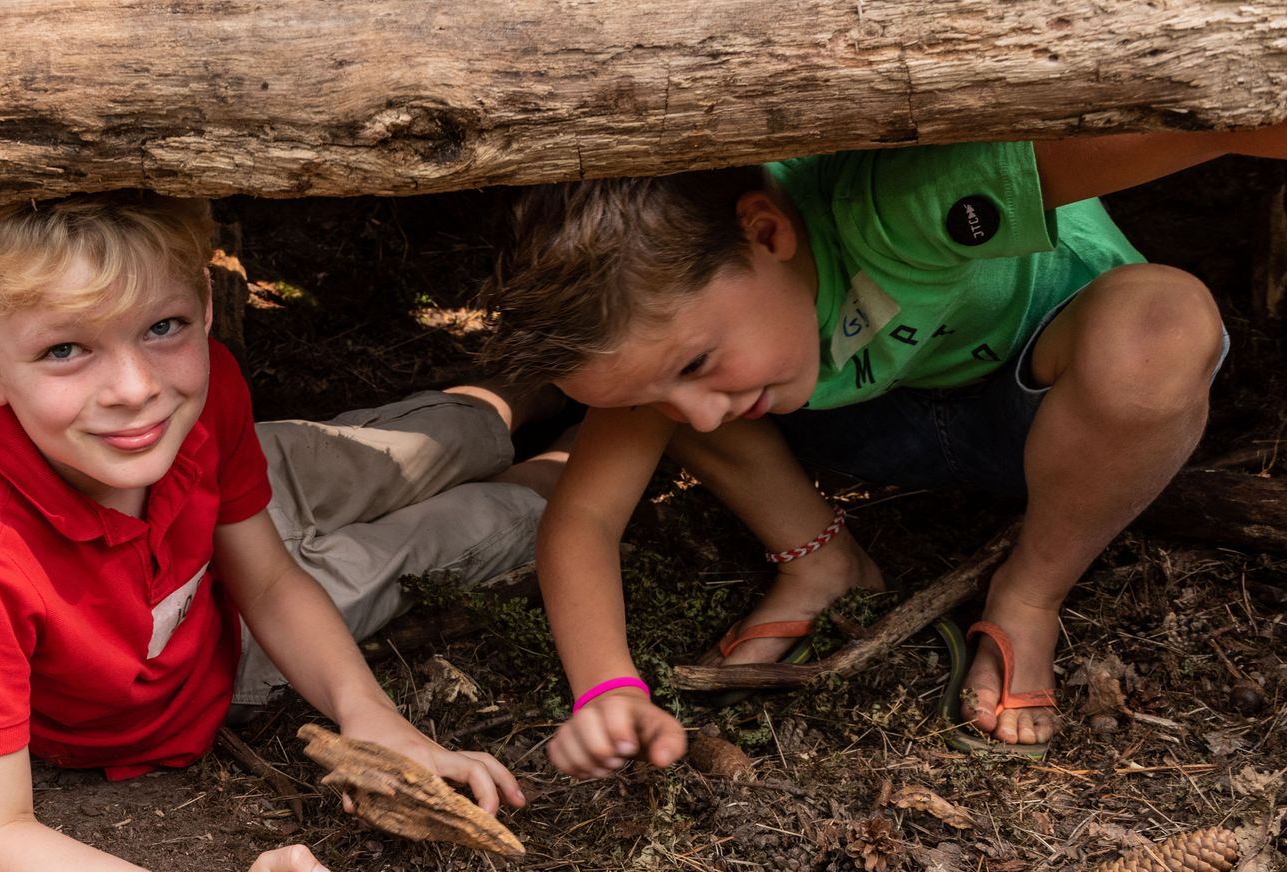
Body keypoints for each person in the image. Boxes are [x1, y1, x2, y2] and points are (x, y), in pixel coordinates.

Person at [477, 125, 1287, 774]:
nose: (697, 411)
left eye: (695, 364)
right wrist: (605, 690)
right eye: (659, 392)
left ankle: (1028, 596)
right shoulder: (677, 347)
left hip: (1052, 411)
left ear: (766, 230)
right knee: (686, 399)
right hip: (869, 425)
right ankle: (822, 561)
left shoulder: (895, 201)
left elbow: (1218, 124)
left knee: (1164, 323)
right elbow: (583, 517)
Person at [0, 192, 559, 871]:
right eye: (65, 348)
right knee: (485, 525)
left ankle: (556, 383)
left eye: (163, 327)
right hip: (223, 656)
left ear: (207, 306)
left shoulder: (194, 394)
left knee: (433, 439)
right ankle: (572, 465)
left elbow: (269, 577)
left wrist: (370, 715)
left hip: (210, 498)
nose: (133, 386)